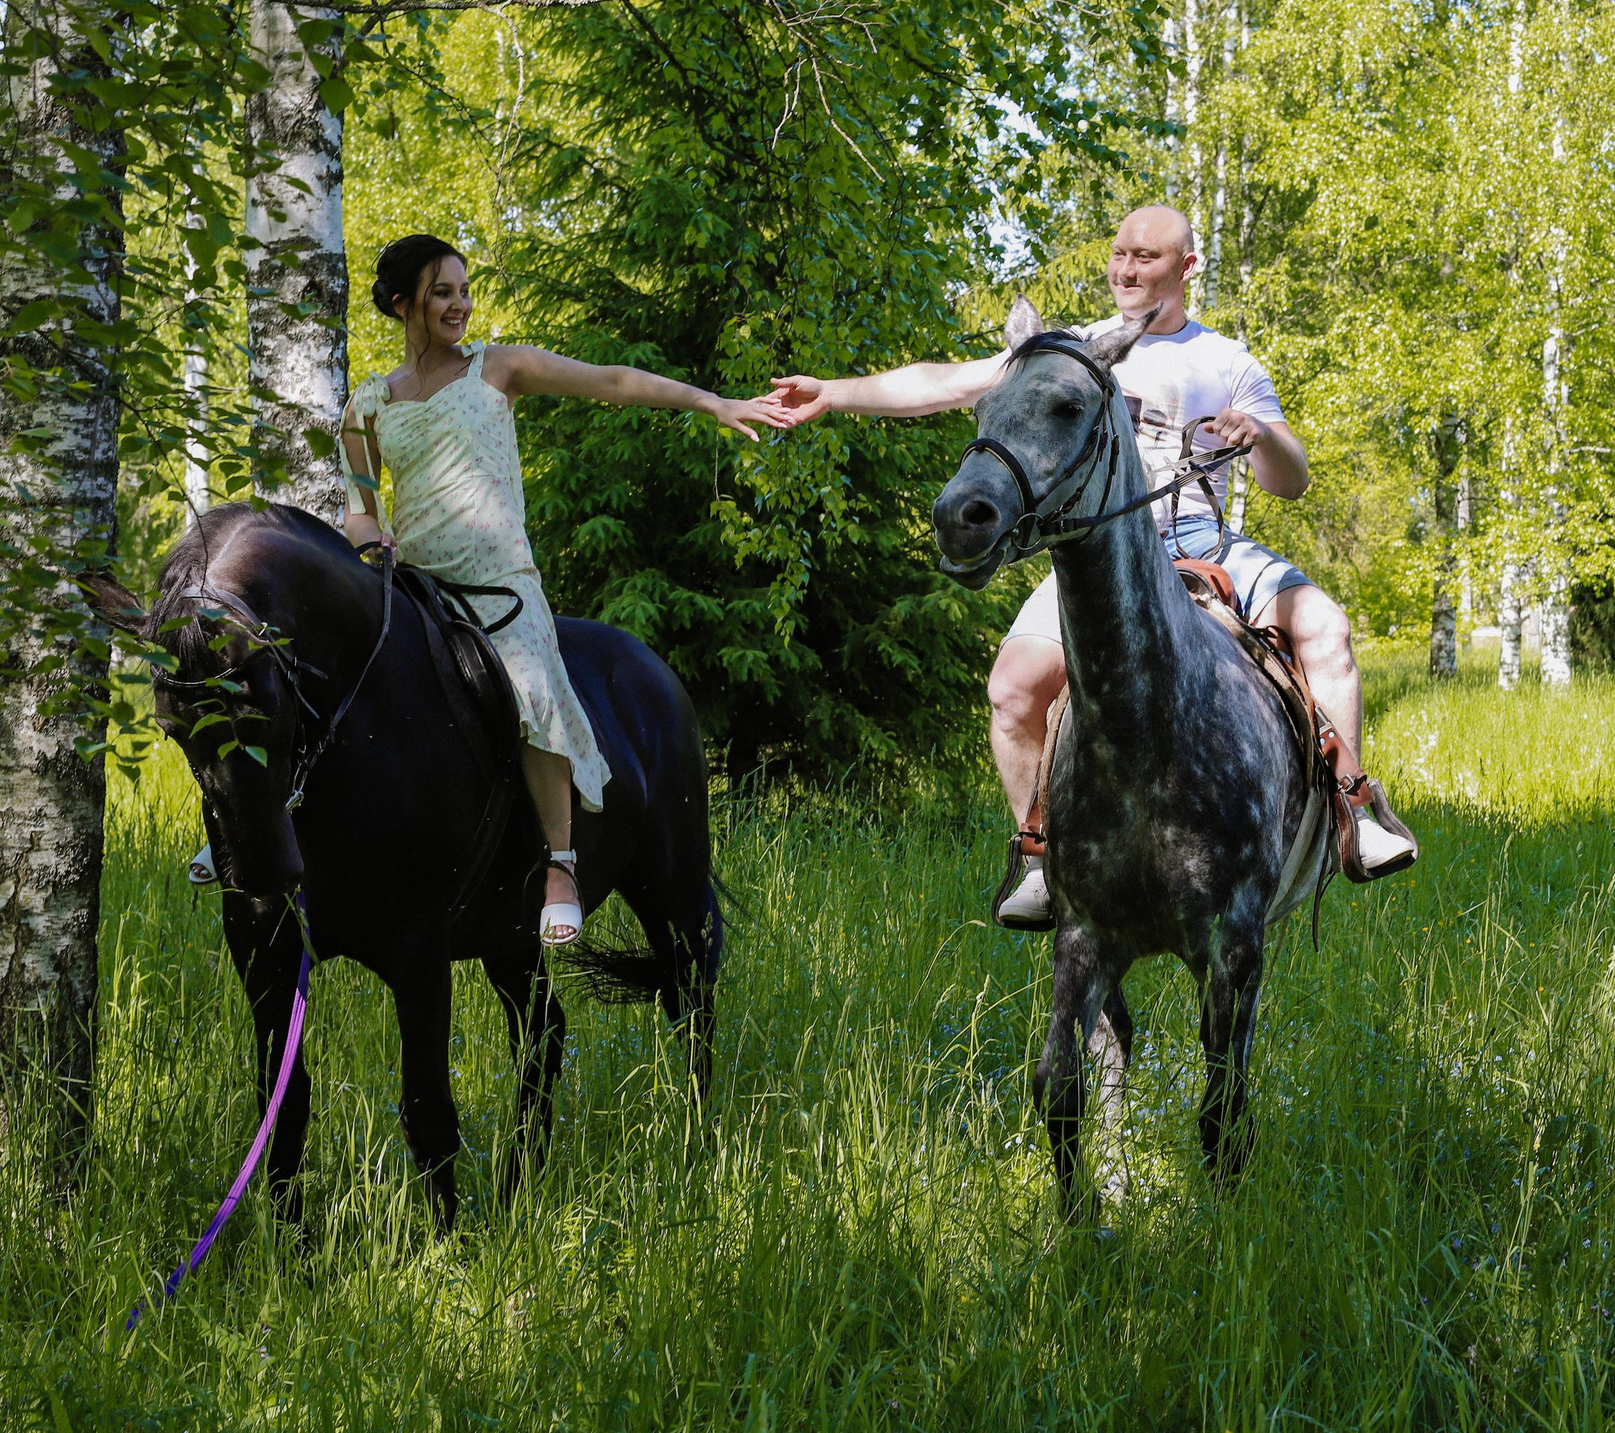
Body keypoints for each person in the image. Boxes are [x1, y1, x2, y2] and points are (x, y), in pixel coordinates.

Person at [768, 204, 1416, 928]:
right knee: (1012, 689)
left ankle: (1352, 810)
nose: (1126, 270)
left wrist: (1261, 433)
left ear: (1187, 267)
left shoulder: (1227, 362)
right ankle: (1041, 855)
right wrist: (834, 393)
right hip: (1098, 555)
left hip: (1203, 543)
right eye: (1119, 253)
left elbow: (1290, 480)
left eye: (1146, 257)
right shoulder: (1068, 351)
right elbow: (941, 383)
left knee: (1326, 628)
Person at [341, 233, 792, 945]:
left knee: (531, 686)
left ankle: (560, 863)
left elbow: (611, 380)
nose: (460, 305)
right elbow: (360, 507)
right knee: (341, 677)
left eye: (464, 290)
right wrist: (372, 539)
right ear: (403, 304)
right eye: (441, 292)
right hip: (421, 589)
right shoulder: (368, 405)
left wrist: (711, 402)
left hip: (501, 587)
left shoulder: (499, 368)